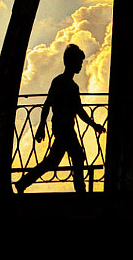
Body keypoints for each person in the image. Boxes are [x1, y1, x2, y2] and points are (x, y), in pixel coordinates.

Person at [15, 44, 104, 193]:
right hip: (63, 128)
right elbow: (48, 104)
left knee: (53, 161)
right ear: (70, 62)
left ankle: (23, 183)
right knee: (77, 157)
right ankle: (81, 192)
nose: (81, 66)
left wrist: (94, 125)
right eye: (79, 62)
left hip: (64, 127)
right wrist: (42, 126)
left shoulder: (71, 86)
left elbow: (79, 111)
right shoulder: (61, 82)